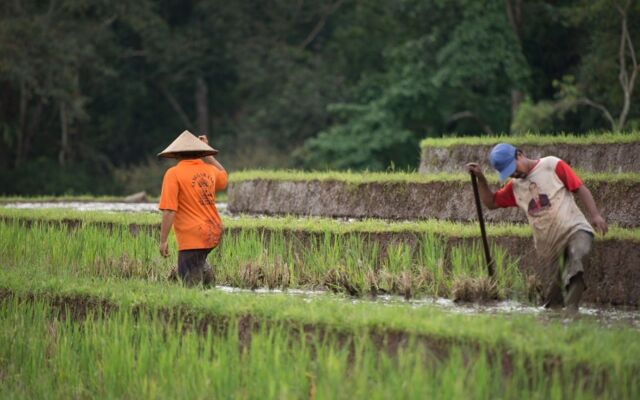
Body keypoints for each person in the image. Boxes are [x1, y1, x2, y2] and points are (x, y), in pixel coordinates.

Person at [466, 143, 608, 312]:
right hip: (552, 247)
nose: (514, 173)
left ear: (520, 154)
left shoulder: (551, 165)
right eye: (509, 173)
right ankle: (559, 320)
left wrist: (595, 215)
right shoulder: (515, 186)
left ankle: (571, 315)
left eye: (513, 168)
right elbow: (491, 202)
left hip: (576, 230)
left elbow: (579, 188)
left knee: (576, 260)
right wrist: (481, 179)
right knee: (553, 301)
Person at [158, 130, 228, 287]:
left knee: (190, 284)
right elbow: (224, 177)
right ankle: (209, 285)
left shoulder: (173, 174)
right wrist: (209, 156)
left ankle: (200, 300)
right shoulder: (209, 170)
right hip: (213, 231)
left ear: (177, 154)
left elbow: (169, 210)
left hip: (192, 236)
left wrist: (163, 240)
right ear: (200, 153)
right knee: (199, 262)